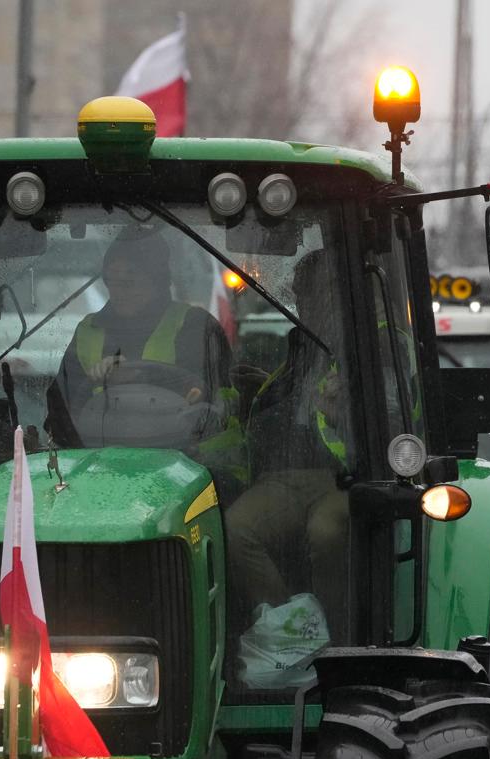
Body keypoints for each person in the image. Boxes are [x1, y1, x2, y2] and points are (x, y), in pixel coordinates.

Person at [224, 250, 350, 681]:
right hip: (285, 477)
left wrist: (342, 411)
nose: (307, 299)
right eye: (303, 291)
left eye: (319, 289)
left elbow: (393, 422)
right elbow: (301, 405)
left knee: (327, 530)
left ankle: (344, 641)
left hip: (346, 478)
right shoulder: (304, 342)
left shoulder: (374, 341)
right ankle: (289, 636)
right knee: (235, 527)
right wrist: (264, 392)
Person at [45, 227, 233, 447]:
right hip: (97, 458)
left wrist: (137, 379)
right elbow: (61, 412)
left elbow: (218, 407)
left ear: (158, 280)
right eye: (112, 281)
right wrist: (98, 383)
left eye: (129, 281)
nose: (118, 291)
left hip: (184, 460)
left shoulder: (196, 327)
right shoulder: (88, 330)